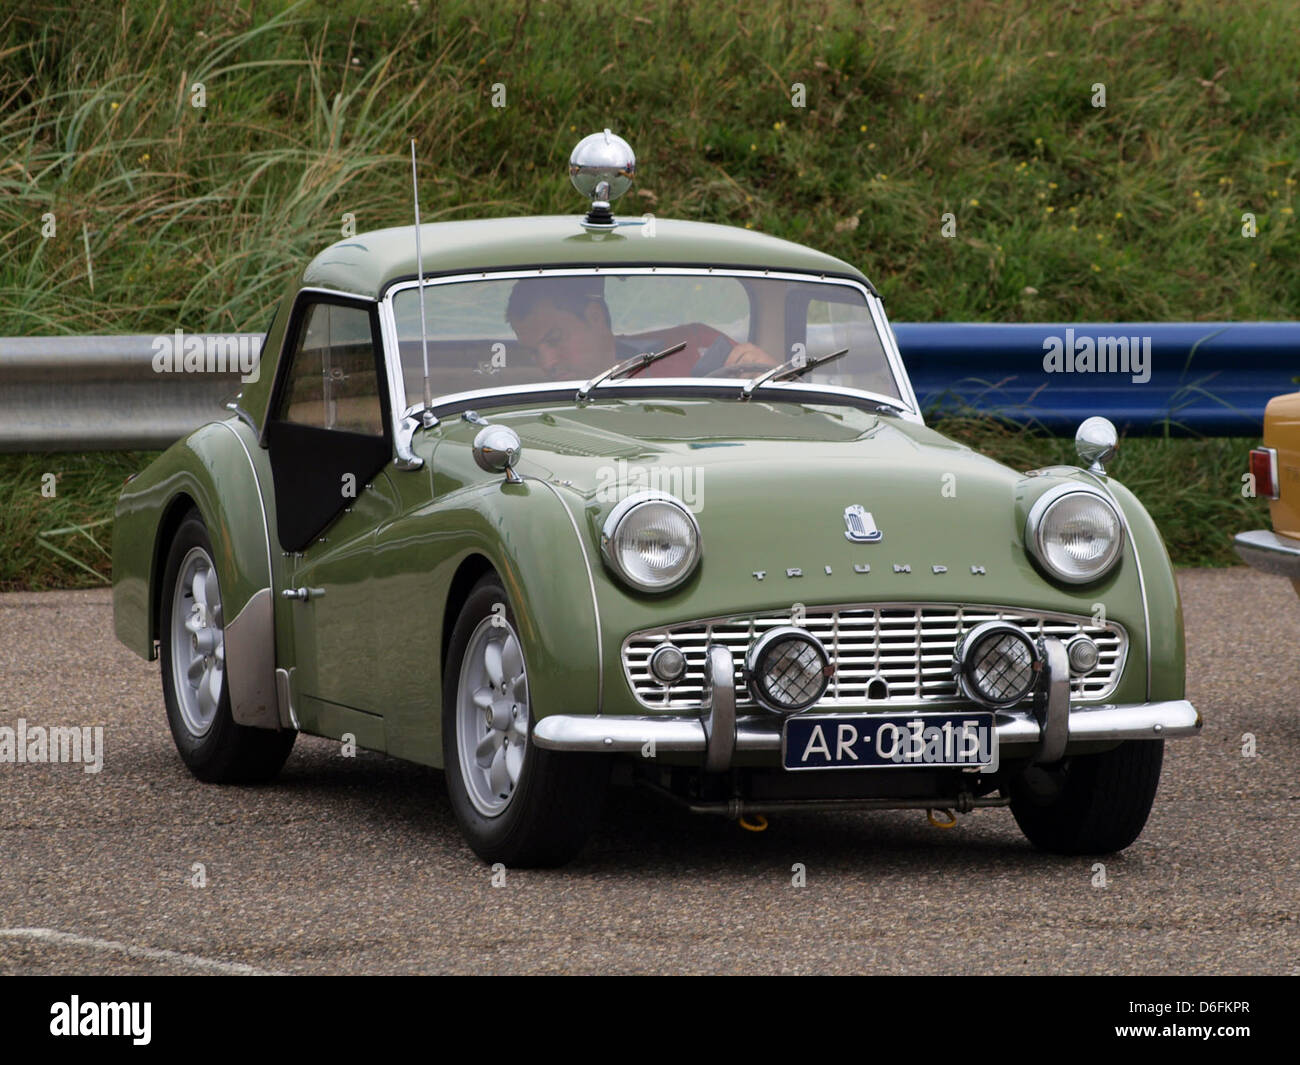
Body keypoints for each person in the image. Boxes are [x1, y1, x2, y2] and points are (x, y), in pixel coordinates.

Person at [505, 277, 778, 379]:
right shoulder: (540, 405)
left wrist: (773, 375)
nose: (547, 363)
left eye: (554, 340)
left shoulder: (693, 347)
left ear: (595, 317)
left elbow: (778, 405)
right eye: (533, 353)